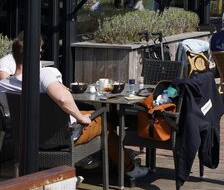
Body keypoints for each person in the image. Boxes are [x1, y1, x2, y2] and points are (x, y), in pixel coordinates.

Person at [0, 38, 148, 179]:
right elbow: (62, 98)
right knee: (104, 122)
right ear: (35, 54)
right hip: (62, 136)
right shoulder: (43, 75)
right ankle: (129, 169)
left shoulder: (3, 86)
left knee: (89, 113)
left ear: (13, 56)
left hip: (28, 140)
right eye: (39, 52)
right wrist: (80, 117)